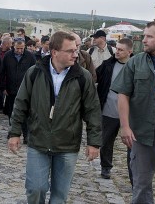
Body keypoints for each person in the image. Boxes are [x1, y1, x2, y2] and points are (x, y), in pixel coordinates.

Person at [8, 31, 101, 203]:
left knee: (59, 195)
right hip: (39, 140)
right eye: (70, 51)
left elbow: (93, 110)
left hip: (67, 144)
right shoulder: (34, 73)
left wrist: (94, 142)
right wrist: (14, 133)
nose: (76, 54)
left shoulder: (83, 77)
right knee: (35, 188)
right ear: (55, 52)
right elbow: (21, 103)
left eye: (76, 49)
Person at [112, 21, 155, 203]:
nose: (144, 40)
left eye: (149, 36)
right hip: (141, 133)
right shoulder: (135, 62)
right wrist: (125, 126)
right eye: (144, 36)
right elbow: (123, 95)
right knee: (141, 183)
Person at [96, 38, 133, 180]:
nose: (117, 51)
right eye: (116, 48)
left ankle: (134, 176)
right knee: (106, 141)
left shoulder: (137, 66)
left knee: (133, 146)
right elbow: (93, 78)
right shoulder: (107, 65)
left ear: (129, 52)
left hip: (131, 114)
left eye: (120, 50)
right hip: (108, 110)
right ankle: (106, 167)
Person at [0, 37, 36, 143]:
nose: (19, 51)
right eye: (17, 48)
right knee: (11, 112)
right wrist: (3, 87)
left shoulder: (30, 56)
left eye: (21, 48)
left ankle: (26, 135)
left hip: (26, 89)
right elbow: (2, 73)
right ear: (13, 46)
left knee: (25, 113)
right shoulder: (7, 56)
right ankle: (13, 132)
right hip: (11, 89)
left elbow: (35, 72)